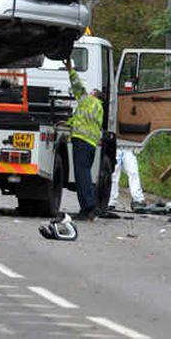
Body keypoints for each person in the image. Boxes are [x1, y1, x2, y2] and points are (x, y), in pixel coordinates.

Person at [67, 60, 104, 221]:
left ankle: (89, 207)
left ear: (94, 94)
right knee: (85, 174)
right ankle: (86, 208)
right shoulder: (99, 108)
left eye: (91, 92)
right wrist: (68, 123)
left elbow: (77, 86)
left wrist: (70, 69)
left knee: (82, 176)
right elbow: (85, 120)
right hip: (90, 144)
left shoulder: (89, 101)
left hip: (81, 141)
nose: (89, 93)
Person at [106, 147, 148, 213]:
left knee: (133, 172)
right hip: (115, 146)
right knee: (113, 175)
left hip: (128, 147)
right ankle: (110, 201)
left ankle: (138, 200)